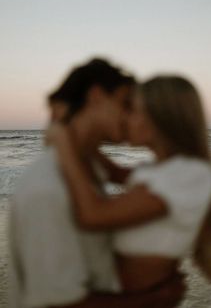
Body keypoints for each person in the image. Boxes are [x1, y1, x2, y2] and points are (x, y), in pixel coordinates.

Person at [9, 59, 185, 308]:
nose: (132, 116)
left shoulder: (88, 172)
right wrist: (154, 298)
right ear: (97, 96)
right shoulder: (48, 187)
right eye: (126, 103)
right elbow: (54, 304)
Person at [50, 74, 211, 296]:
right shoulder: (158, 169)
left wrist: (62, 141)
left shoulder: (189, 174)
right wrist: (84, 135)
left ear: (159, 118)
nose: (124, 117)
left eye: (131, 110)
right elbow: (114, 172)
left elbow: (92, 216)